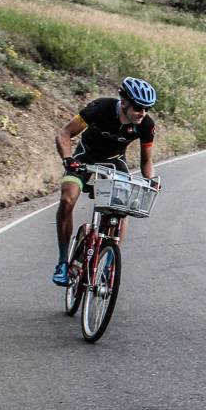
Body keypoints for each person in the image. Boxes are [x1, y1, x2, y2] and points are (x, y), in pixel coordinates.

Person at [51, 77, 159, 286]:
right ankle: (63, 262)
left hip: (114, 163)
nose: (142, 112)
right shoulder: (100, 108)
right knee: (67, 200)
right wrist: (68, 160)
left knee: (122, 209)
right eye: (138, 106)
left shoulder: (146, 125)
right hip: (85, 157)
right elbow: (64, 134)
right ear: (124, 101)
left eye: (147, 108)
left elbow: (147, 162)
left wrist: (152, 181)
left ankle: (110, 259)